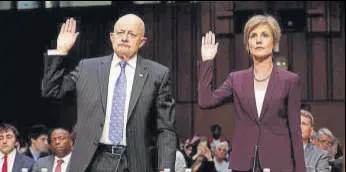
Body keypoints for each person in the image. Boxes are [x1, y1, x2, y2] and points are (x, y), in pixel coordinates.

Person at [41, 13, 176, 172]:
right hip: (92, 160)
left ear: (142, 42)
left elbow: (165, 129)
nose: (124, 38)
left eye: (131, 34)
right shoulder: (88, 68)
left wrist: (165, 168)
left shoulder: (157, 74)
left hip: (135, 162)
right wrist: (60, 51)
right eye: (120, 33)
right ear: (112, 37)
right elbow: (51, 90)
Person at [197, 14, 305, 172]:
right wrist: (207, 61)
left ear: (274, 42)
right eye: (253, 36)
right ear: (248, 44)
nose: (259, 40)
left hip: (279, 163)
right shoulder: (236, 79)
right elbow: (205, 101)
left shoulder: (290, 80)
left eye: (265, 35)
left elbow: (295, 131)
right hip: (243, 163)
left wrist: (300, 170)